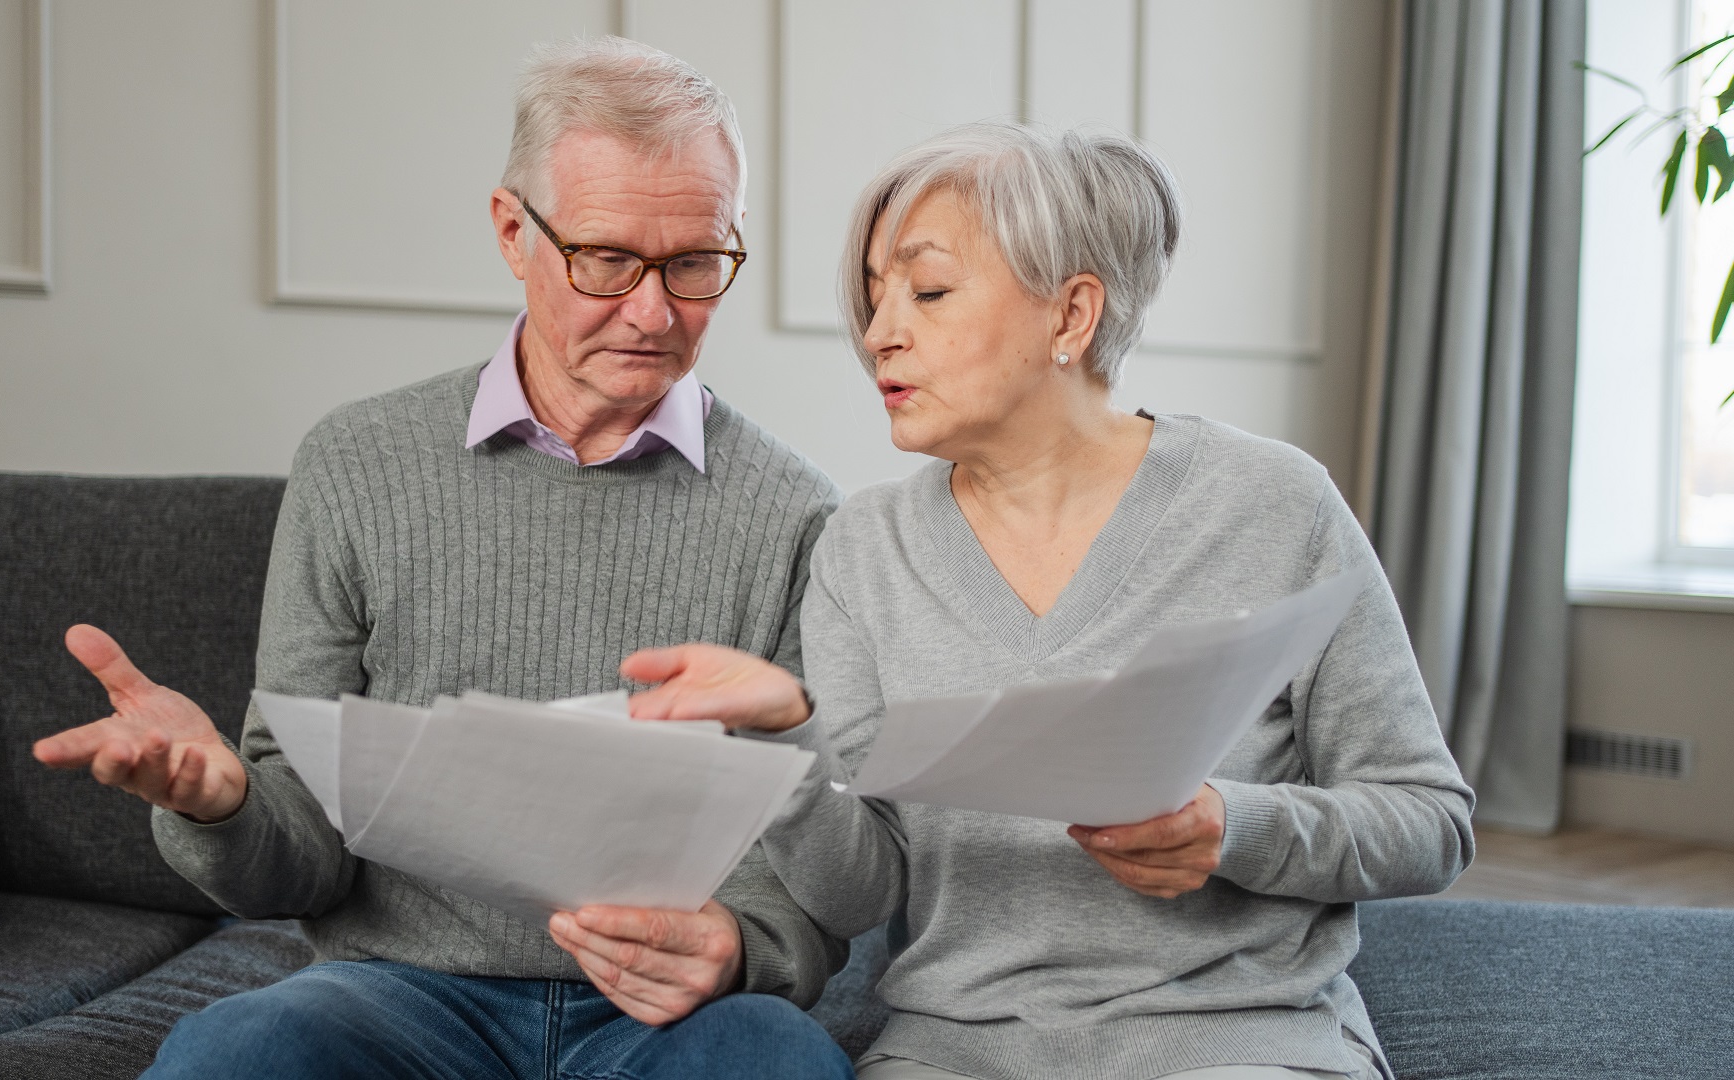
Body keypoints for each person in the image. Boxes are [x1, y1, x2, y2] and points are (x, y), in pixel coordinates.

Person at [30, 37, 853, 1080]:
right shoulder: (356, 464)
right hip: (397, 992)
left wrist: (746, 949)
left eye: (694, 263)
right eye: (608, 259)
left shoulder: (798, 513)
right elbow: (303, 857)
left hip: (671, 1021)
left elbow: (821, 841)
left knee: (778, 1062)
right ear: (514, 230)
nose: (655, 312)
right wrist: (221, 804)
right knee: (232, 1053)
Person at [620, 123, 1475, 1080]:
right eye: (874, 296)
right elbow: (862, 891)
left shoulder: (1274, 504)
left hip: (1237, 1041)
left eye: (929, 291)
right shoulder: (864, 548)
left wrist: (1232, 828)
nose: (878, 334)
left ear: (1070, 317)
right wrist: (788, 735)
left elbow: (1428, 822)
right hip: (955, 1052)